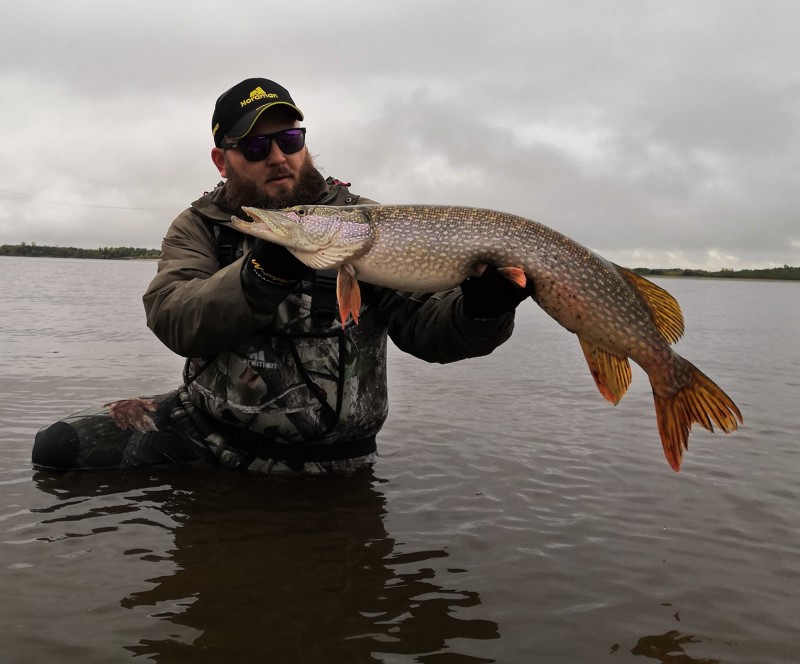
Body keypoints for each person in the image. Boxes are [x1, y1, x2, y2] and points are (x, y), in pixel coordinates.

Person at [32, 77, 532, 475]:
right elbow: (173, 317)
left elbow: (429, 333)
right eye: (254, 146)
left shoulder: (361, 225)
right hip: (213, 432)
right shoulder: (199, 226)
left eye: (290, 139)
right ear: (221, 160)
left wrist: (482, 310)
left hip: (339, 453)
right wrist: (260, 273)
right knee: (59, 448)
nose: (277, 157)